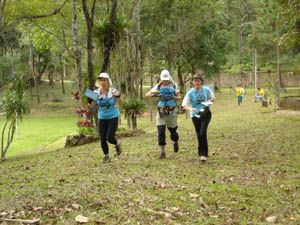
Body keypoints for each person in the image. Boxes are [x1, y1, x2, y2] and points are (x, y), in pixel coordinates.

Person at [145, 69, 181, 159]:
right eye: (163, 79)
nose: (165, 81)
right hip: (161, 110)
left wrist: (173, 97)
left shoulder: (173, 85)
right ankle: (162, 152)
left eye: (166, 79)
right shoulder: (158, 86)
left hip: (171, 110)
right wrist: (156, 95)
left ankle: (175, 141)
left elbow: (179, 98)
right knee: (161, 131)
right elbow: (147, 94)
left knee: (173, 131)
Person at [182, 72, 215, 162]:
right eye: (195, 81)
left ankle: (203, 154)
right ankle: (203, 152)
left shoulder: (206, 90)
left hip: (205, 112)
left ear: (201, 82)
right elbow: (184, 105)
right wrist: (190, 108)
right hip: (195, 115)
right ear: (193, 82)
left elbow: (213, 99)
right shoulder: (190, 92)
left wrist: (207, 102)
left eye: (198, 81)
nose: (197, 82)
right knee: (199, 134)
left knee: (202, 132)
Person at [94, 72, 123, 163]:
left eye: (104, 80)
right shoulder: (96, 92)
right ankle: (106, 156)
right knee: (102, 138)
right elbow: (89, 100)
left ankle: (117, 144)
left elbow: (121, 103)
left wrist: (118, 96)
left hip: (113, 116)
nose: (103, 82)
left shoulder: (113, 91)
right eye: (101, 80)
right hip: (102, 116)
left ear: (108, 81)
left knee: (109, 137)